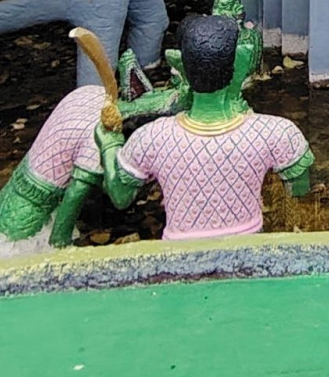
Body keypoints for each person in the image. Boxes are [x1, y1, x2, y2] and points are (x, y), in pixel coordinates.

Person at [95, 15, 314, 240]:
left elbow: (120, 197)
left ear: (180, 67)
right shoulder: (277, 133)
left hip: (179, 252)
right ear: (240, 62)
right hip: (247, 250)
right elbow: (299, 190)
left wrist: (109, 143)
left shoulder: (151, 137)